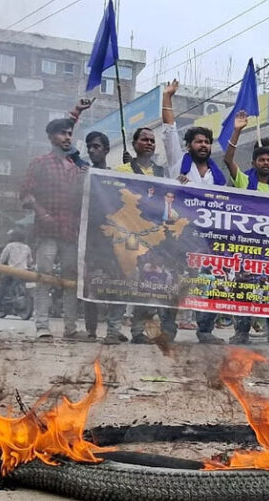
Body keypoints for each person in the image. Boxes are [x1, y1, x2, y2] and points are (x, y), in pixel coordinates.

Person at [20, 98, 94, 340]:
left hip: (70, 231)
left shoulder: (77, 167)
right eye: (62, 133)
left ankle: (70, 328)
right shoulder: (40, 163)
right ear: (51, 137)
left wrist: (78, 112)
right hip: (47, 231)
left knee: (71, 280)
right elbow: (26, 194)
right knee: (45, 276)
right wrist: (42, 213)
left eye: (70, 133)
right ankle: (42, 326)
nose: (67, 137)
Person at [161, 79, 227, 344]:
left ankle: (205, 330)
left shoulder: (216, 175)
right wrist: (168, 97)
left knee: (207, 281)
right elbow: (168, 130)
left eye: (207, 142)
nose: (203, 145)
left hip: (207, 236)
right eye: (198, 141)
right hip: (179, 233)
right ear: (189, 145)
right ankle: (168, 329)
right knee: (175, 280)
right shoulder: (179, 163)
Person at [222, 110, 269, 345]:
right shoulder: (244, 181)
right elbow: (228, 160)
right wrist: (237, 130)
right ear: (254, 163)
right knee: (244, 289)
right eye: (262, 160)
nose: (266, 163)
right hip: (246, 247)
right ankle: (241, 332)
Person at [114, 126, 177, 344]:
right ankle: (123, 330)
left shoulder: (162, 173)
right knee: (130, 280)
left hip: (154, 236)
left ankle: (145, 331)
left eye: (152, 140)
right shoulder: (122, 170)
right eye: (144, 139)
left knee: (151, 283)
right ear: (134, 144)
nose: (149, 143)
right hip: (130, 234)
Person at [82, 130, 126, 344]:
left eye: (96, 146)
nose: (92, 150)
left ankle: (113, 329)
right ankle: (91, 330)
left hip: (113, 240)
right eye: (89, 147)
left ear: (106, 150)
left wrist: (132, 172)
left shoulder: (114, 177)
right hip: (90, 239)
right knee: (91, 283)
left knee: (118, 283)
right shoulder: (83, 174)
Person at [0, 229, 32, 316]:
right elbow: (29, 262)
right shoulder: (27, 247)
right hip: (24, 272)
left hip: (11, 271)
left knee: (0, 290)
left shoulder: (10, 246)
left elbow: (2, 259)